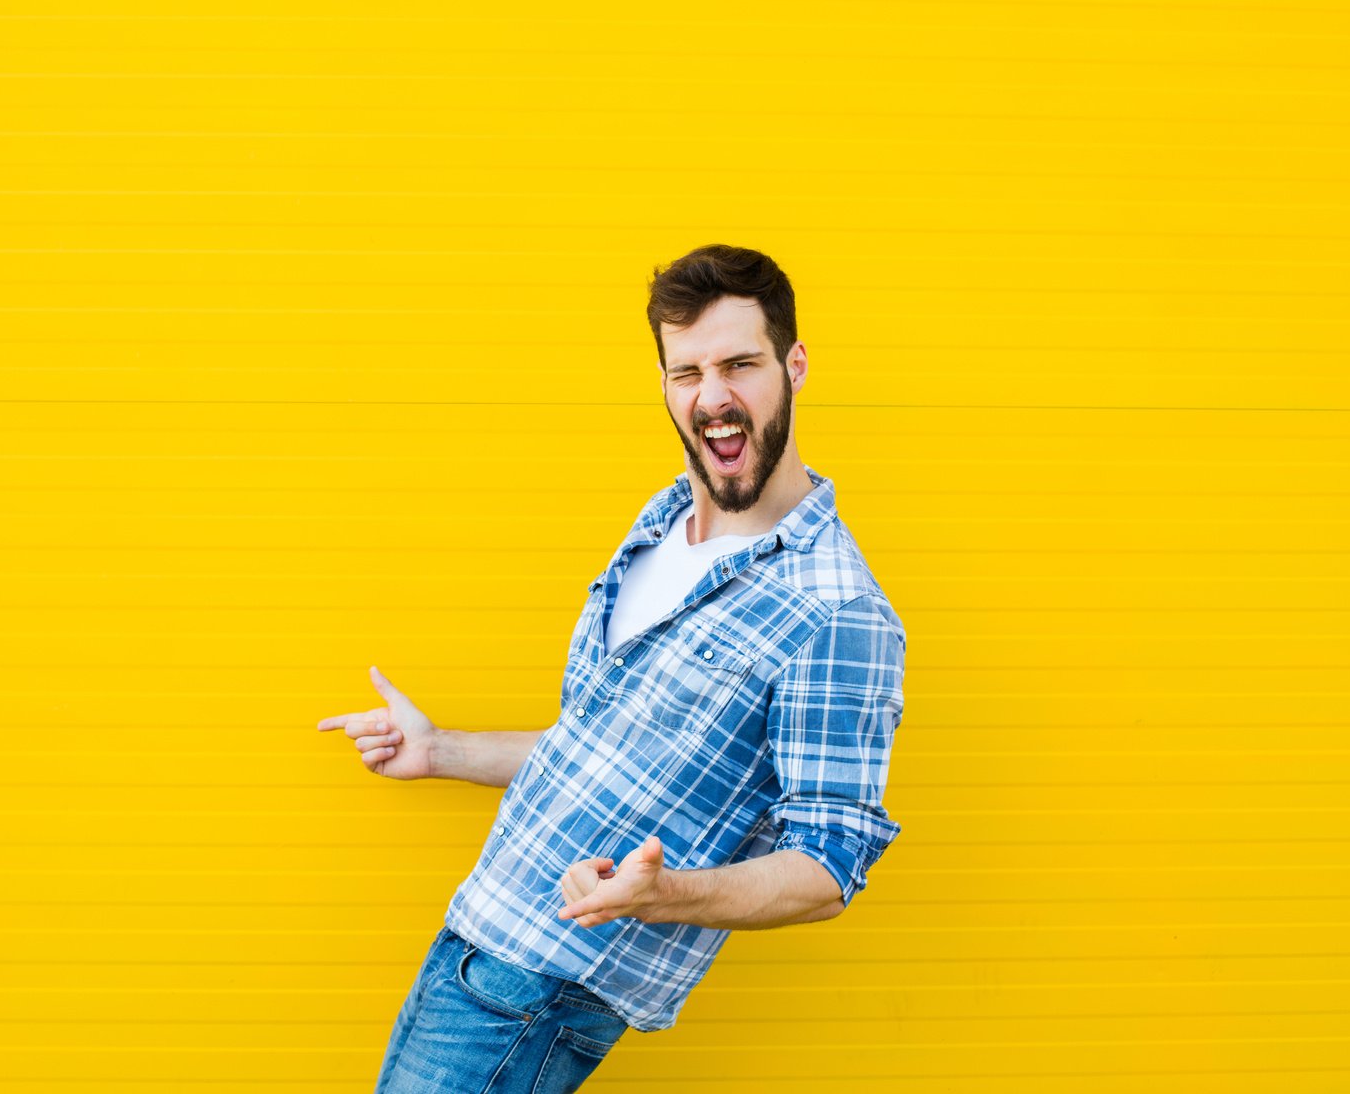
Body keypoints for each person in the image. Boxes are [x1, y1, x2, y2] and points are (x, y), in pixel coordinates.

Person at [317, 244, 907, 1093]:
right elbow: (600, 746)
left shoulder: (835, 608)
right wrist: (439, 749)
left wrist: (664, 894)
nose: (713, 396)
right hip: (475, 943)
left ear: (794, 364)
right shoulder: (664, 519)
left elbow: (826, 866)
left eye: (740, 363)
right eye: (686, 372)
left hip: (543, 990)